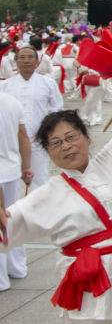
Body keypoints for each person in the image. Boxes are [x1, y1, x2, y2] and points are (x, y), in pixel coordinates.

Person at [0, 108, 112, 322]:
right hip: (88, 284)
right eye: (55, 143)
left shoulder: (110, 162)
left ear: (86, 138)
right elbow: (9, 226)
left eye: (70, 137)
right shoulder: (49, 193)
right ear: (49, 153)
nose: (65, 146)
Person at [0, 45, 63, 190]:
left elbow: (57, 110)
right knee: (8, 182)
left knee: (39, 182)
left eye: (30, 57)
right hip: (10, 142)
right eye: (22, 57)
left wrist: (50, 133)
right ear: (16, 61)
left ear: (37, 61)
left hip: (37, 139)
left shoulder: (48, 83)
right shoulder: (6, 86)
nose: (26, 61)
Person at [0, 91, 26, 291]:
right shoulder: (12, 101)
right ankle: (17, 268)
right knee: (11, 219)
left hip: (7, 169)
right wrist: (27, 166)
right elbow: (23, 137)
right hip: (10, 169)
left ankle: (1, 278)